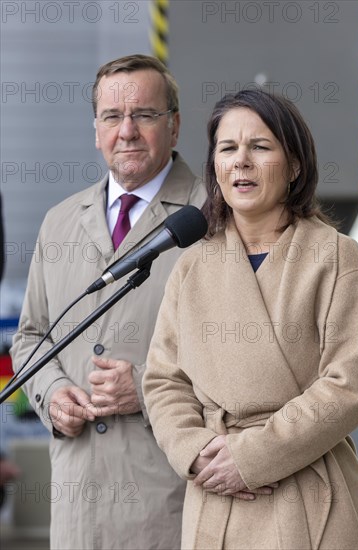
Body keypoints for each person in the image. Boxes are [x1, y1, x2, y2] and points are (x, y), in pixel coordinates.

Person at [143, 89, 358, 549]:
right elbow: (164, 380)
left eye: (260, 147)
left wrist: (254, 457)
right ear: (215, 167)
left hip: (308, 490)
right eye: (228, 149)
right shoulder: (191, 264)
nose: (240, 161)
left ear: (295, 165)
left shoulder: (336, 256)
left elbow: (349, 384)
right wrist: (196, 452)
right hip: (215, 490)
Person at [10, 54, 208, 550]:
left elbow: (244, 358)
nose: (128, 131)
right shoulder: (59, 221)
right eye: (112, 117)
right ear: (95, 129)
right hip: (76, 503)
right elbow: (32, 336)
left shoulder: (212, 220)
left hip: (169, 502)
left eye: (144, 114)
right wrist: (52, 394)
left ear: (175, 125)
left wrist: (144, 388)